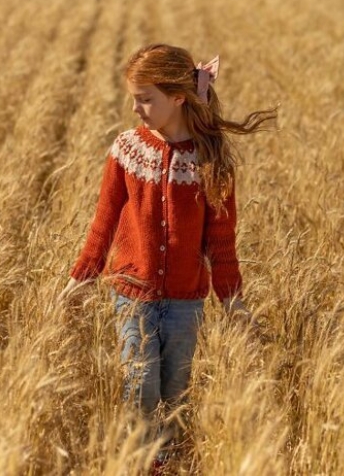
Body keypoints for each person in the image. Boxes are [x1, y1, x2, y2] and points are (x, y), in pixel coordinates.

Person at [61, 43, 276, 470]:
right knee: (140, 384)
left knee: (175, 393)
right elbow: (104, 222)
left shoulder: (211, 161)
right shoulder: (127, 150)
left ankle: (167, 462)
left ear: (178, 96)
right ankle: (142, 463)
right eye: (134, 98)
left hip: (185, 302)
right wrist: (80, 278)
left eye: (145, 99)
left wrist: (232, 301)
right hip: (131, 294)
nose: (135, 108)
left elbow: (221, 242)